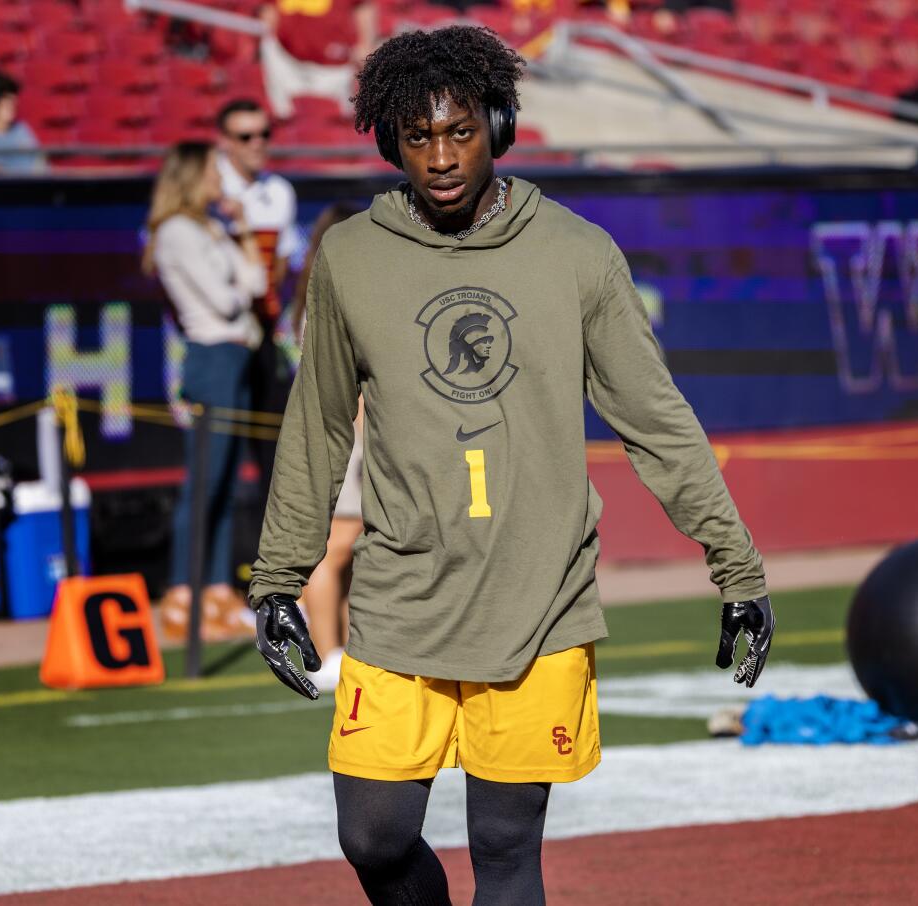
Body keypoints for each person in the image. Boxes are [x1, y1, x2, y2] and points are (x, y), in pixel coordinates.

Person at [249, 26, 774, 904]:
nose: (442, 157)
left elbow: (656, 420)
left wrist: (737, 565)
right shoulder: (350, 259)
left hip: (541, 603)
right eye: (418, 138)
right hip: (400, 603)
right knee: (374, 839)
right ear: (391, 143)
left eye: (460, 131)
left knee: (503, 844)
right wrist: (278, 577)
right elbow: (318, 424)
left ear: (498, 125)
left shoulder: (577, 253)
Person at [143, 141, 267, 641]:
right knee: (205, 481)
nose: (222, 181)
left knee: (226, 480)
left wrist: (240, 232)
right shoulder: (176, 231)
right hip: (211, 358)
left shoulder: (212, 226)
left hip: (235, 356)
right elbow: (224, 300)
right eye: (215, 172)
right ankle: (182, 592)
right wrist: (238, 286)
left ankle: (215, 588)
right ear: (193, 176)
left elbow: (255, 283)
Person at [290, 202, 364, 692]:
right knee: (333, 547)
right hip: (344, 432)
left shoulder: (324, 294)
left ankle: (341, 646)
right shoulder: (330, 297)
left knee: (349, 548)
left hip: (353, 430)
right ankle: (324, 650)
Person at [215, 98, 297, 503]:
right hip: (223, 332)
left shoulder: (279, 192)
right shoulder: (209, 189)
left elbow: (281, 266)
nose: (257, 143)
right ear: (224, 141)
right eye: (245, 136)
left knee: (274, 447)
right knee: (220, 455)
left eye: (264, 134)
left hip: (263, 330)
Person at [257, 0, 376, 120]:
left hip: (336, 66)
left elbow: (363, 7)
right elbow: (268, 10)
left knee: (345, 122)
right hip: (287, 59)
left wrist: (365, 44)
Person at [0, 73, 46, 176]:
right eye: (5, 100)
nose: (12, 104)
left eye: (13, 100)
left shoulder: (22, 130)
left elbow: (40, 168)